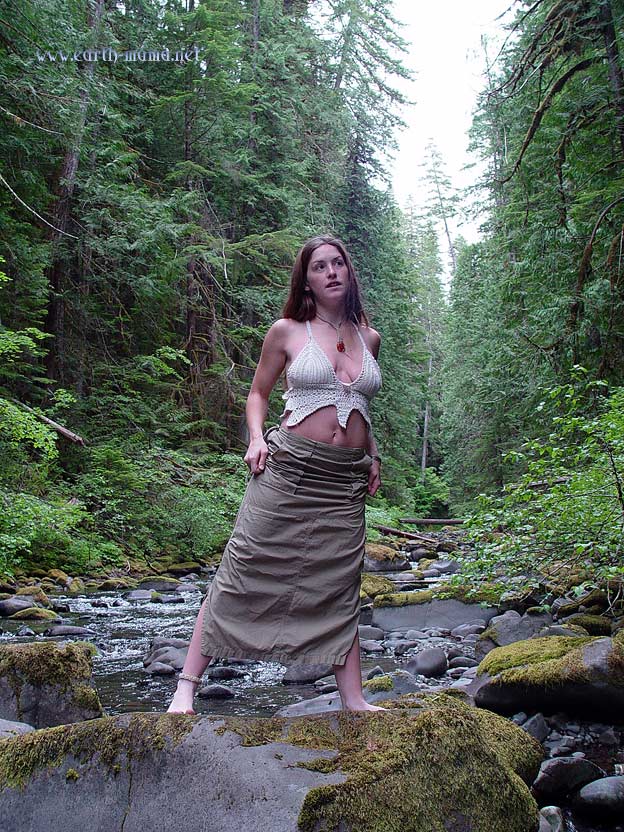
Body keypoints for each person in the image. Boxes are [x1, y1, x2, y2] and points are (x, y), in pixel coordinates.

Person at [167, 234, 385, 714]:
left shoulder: (368, 337)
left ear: (348, 272)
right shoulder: (286, 331)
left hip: (344, 480)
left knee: (340, 581)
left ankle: (354, 700)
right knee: (242, 566)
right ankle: (185, 687)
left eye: (337, 263)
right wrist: (255, 437)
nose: (331, 272)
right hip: (289, 469)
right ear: (306, 281)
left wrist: (373, 456)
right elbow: (258, 394)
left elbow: (361, 405)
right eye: (319, 267)